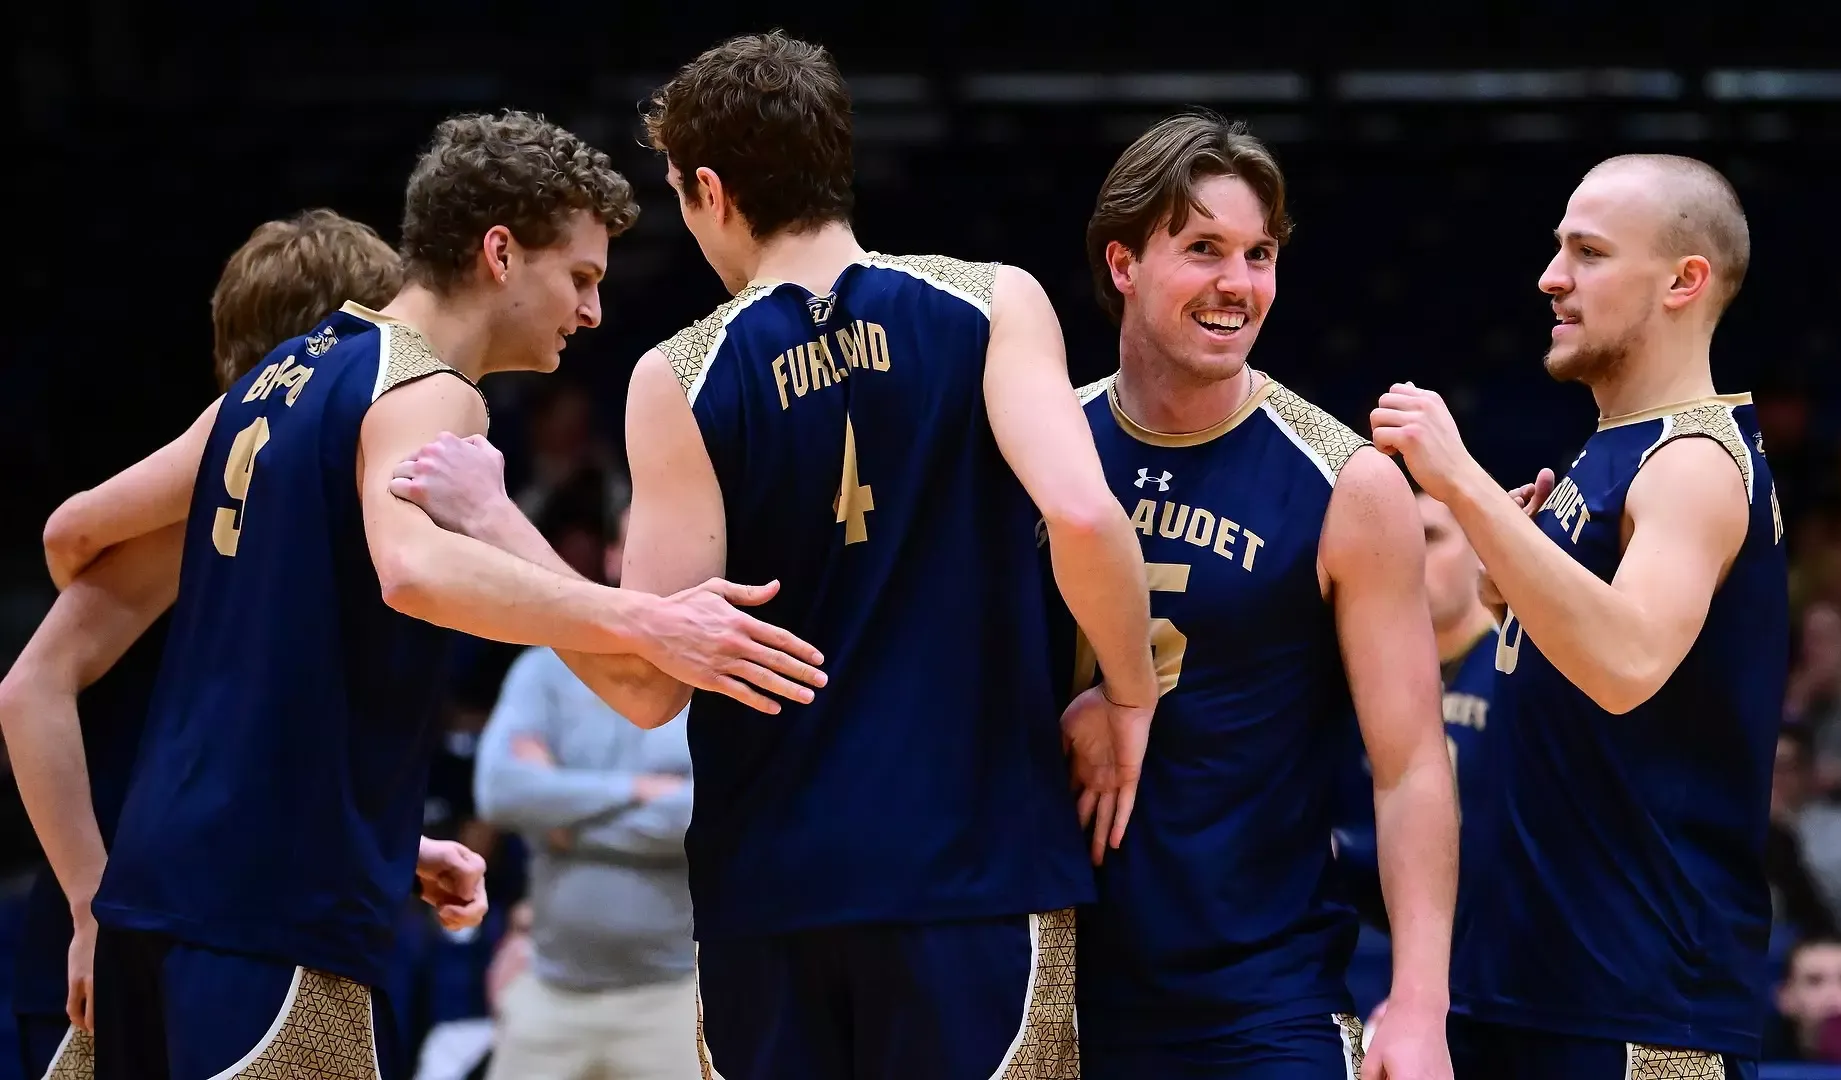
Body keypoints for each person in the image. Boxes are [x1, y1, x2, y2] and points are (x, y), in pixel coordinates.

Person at [387, 32, 1155, 1080]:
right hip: (976, 878)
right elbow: (1083, 515)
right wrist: (1128, 695)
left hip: (770, 896)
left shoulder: (680, 375)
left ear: (709, 189)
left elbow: (647, 685)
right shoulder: (992, 301)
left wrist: (493, 519)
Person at [30, 110, 823, 1080]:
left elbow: (72, 533)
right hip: (276, 917)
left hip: (151, 904)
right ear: (499, 253)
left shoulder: (277, 376)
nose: (592, 313)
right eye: (580, 277)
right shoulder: (429, 390)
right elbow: (411, 570)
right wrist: (644, 615)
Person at [0, 209, 492, 1078]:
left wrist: (389, 846)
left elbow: (255, 748)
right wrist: (89, 898)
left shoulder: (306, 523)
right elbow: (38, 654)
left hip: (198, 899)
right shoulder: (217, 492)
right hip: (142, 914)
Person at [1057, 112, 1456, 1080]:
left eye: (1259, 254)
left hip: (1258, 1001)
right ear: (1122, 265)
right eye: (1203, 250)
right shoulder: (1046, 451)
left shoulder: (1347, 484)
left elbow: (1410, 765)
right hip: (1051, 987)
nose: (1239, 285)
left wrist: (1417, 1004)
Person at [1372, 153, 1788, 1078]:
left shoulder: (1694, 463)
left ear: (1686, 280)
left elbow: (1627, 663)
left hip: (1641, 1006)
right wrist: (1506, 583)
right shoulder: (1607, 454)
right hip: (1530, 982)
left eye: (1589, 253)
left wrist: (1462, 484)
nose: (1551, 277)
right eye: (1559, 248)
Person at [474, 507, 701, 1080]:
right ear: (610, 556)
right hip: (551, 989)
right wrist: (642, 790)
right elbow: (500, 792)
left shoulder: (715, 678)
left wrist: (561, 816)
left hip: (676, 995)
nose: (649, 560)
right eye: (634, 544)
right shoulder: (542, 669)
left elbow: (702, 822)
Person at [1331, 484, 1502, 942]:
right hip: (1377, 935)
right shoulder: (1354, 671)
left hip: (1498, 945)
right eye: (1400, 539)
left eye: (1430, 537)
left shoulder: (1521, 667)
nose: (1409, 555)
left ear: (1481, 554)